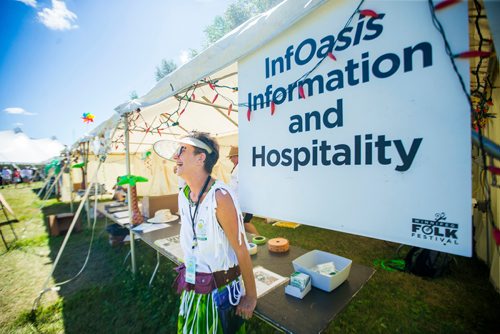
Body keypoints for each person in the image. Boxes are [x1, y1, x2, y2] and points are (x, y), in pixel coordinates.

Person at [165, 132, 257, 333]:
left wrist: (251, 296)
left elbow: (241, 249)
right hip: (193, 285)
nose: (175, 155)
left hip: (219, 294)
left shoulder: (220, 197)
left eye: (182, 150)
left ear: (201, 158)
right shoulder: (184, 195)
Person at [227, 146, 260, 236]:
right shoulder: (238, 167)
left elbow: (244, 184)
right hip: (239, 200)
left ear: (238, 156)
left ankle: (259, 238)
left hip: (243, 201)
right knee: (242, 223)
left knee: (245, 223)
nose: (231, 159)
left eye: (232, 157)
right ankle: (249, 239)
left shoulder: (241, 167)